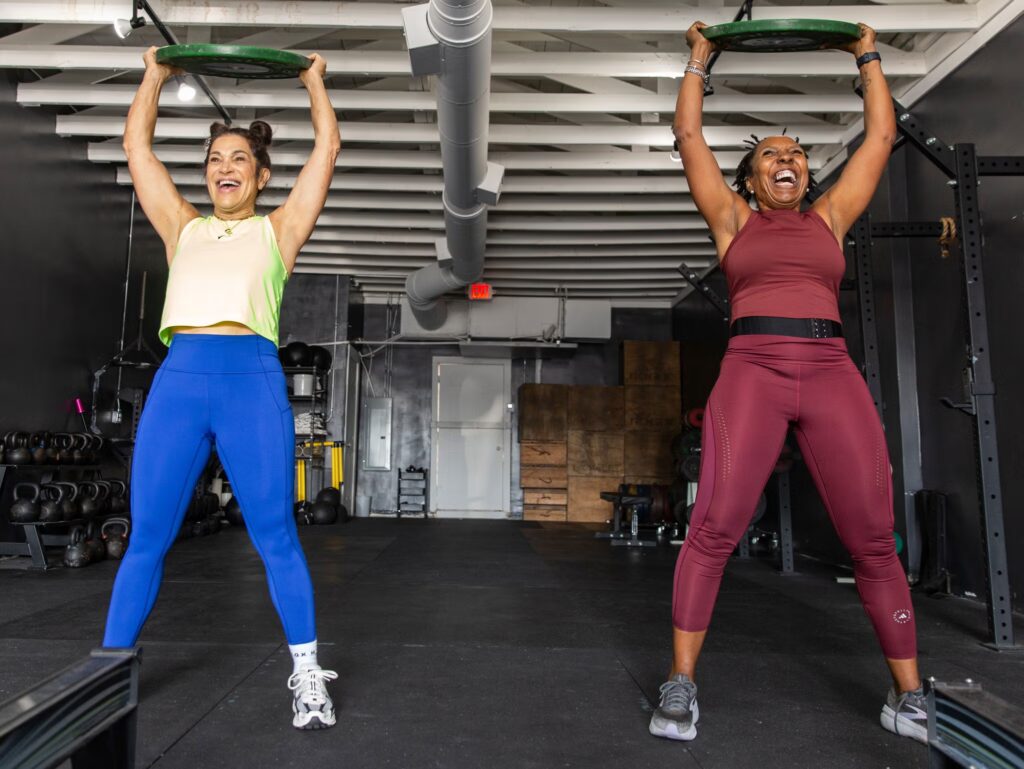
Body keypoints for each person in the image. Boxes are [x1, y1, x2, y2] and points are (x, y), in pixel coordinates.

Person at [649, 22, 927, 745]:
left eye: (797, 153)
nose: (788, 159)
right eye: (772, 153)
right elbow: (689, 138)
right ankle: (680, 683)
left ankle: (910, 694)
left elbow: (879, 137)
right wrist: (700, 61)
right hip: (753, 371)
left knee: (873, 538)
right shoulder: (733, 219)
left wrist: (865, 53)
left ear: (807, 175)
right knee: (712, 526)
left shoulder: (831, 220)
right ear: (750, 178)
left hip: (831, 370)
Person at [101, 46, 341, 730]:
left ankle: (306, 673)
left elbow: (328, 147)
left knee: (275, 534)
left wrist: (313, 82)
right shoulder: (184, 227)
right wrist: (155, 73)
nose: (224, 168)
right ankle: (107, 672)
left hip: (251, 384)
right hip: (178, 383)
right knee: (147, 533)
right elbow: (135, 144)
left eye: (238, 159)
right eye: (215, 159)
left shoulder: (279, 231)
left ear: (261, 175)